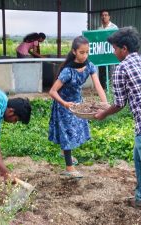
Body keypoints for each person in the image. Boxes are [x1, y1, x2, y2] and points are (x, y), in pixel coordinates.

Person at [95, 27, 141, 225]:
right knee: (138, 158)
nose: (113, 52)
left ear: (124, 48)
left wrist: (103, 113)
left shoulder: (121, 68)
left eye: (114, 48)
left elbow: (119, 103)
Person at [48, 36, 107, 178]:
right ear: (74, 52)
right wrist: (65, 104)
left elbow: (98, 85)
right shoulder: (67, 71)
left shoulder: (90, 66)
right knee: (68, 134)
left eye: (87, 52)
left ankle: (64, 152)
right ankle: (69, 169)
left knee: (76, 130)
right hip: (64, 104)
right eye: (82, 52)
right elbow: (52, 91)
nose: (85, 55)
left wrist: (105, 103)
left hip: (77, 103)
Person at [97, 10, 118, 90]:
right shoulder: (99, 29)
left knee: (111, 72)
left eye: (106, 15)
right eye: (102, 15)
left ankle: (111, 90)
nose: (104, 17)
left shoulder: (114, 28)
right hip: (102, 55)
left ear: (109, 17)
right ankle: (103, 90)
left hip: (110, 54)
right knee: (101, 72)